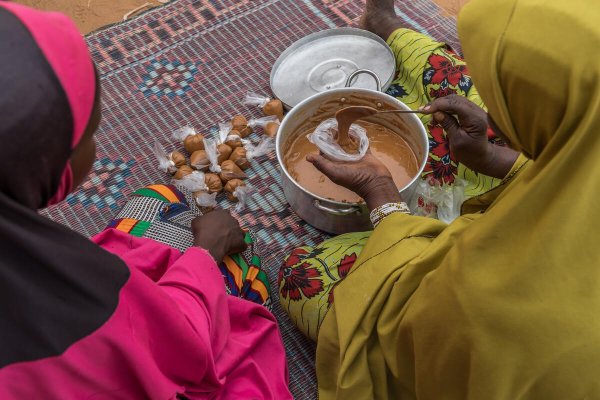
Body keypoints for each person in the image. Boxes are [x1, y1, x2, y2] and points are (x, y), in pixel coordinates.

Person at [279, 0, 600, 398]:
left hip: (483, 341)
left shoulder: (491, 298)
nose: (495, 118)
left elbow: (415, 323)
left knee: (301, 274)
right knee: (456, 84)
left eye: (508, 104)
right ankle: (386, 27)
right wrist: (495, 157)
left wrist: (382, 195)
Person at [0, 3, 292, 399]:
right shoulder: (74, 321)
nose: (96, 146)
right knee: (243, 264)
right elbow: (178, 348)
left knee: (160, 200)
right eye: (90, 136)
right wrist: (207, 253)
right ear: (42, 158)